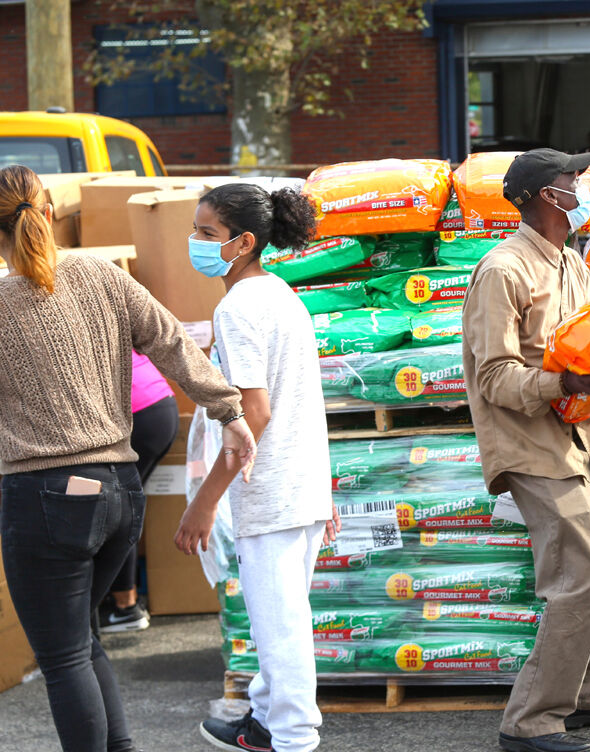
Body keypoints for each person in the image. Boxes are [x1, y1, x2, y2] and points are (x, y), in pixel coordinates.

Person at [0, 165, 256, 752]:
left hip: (45, 499)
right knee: (82, 643)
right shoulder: (99, 275)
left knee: (63, 657)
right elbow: (171, 340)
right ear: (44, 212)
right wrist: (230, 413)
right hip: (118, 489)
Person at [462, 148, 590, 752]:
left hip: (580, 437)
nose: (585, 187)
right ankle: (530, 722)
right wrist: (565, 384)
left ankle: (588, 693)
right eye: (574, 181)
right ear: (548, 196)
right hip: (531, 446)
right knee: (583, 576)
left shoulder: (572, 262)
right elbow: (493, 376)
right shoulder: (503, 271)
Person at [179, 183, 338, 752]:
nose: (193, 242)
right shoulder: (280, 294)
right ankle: (266, 721)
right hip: (299, 486)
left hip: (269, 491)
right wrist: (323, 490)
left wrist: (205, 500)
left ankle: (293, 737)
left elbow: (255, 413)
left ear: (243, 242)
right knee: (285, 618)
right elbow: (304, 400)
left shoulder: (238, 307)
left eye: (206, 233)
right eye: (195, 229)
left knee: (279, 632)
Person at [100, 352, 180, 633]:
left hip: (140, 412)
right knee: (124, 505)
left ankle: (125, 606)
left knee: (121, 509)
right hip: (157, 405)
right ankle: (124, 600)